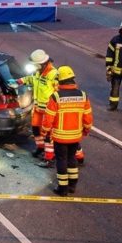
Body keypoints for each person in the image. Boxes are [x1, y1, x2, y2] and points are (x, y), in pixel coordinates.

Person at [41, 66, 93, 197]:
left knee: (61, 160)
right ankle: (72, 185)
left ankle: (62, 188)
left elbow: (48, 119)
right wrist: (86, 130)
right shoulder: (83, 95)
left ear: (60, 81)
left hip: (60, 137)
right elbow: (88, 117)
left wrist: (45, 132)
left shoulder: (56, 97)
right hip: (75, 136)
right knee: (71, 159)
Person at [15, 50, 58, 161]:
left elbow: (59, 93)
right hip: (38, 108)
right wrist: (19, 81)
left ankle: (49, 156)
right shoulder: (38, 71)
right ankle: (40, 148)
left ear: (41, 64)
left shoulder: (54, 74)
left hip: (49, 110)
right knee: (36, 130)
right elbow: (31, 79)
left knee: (48, 133)